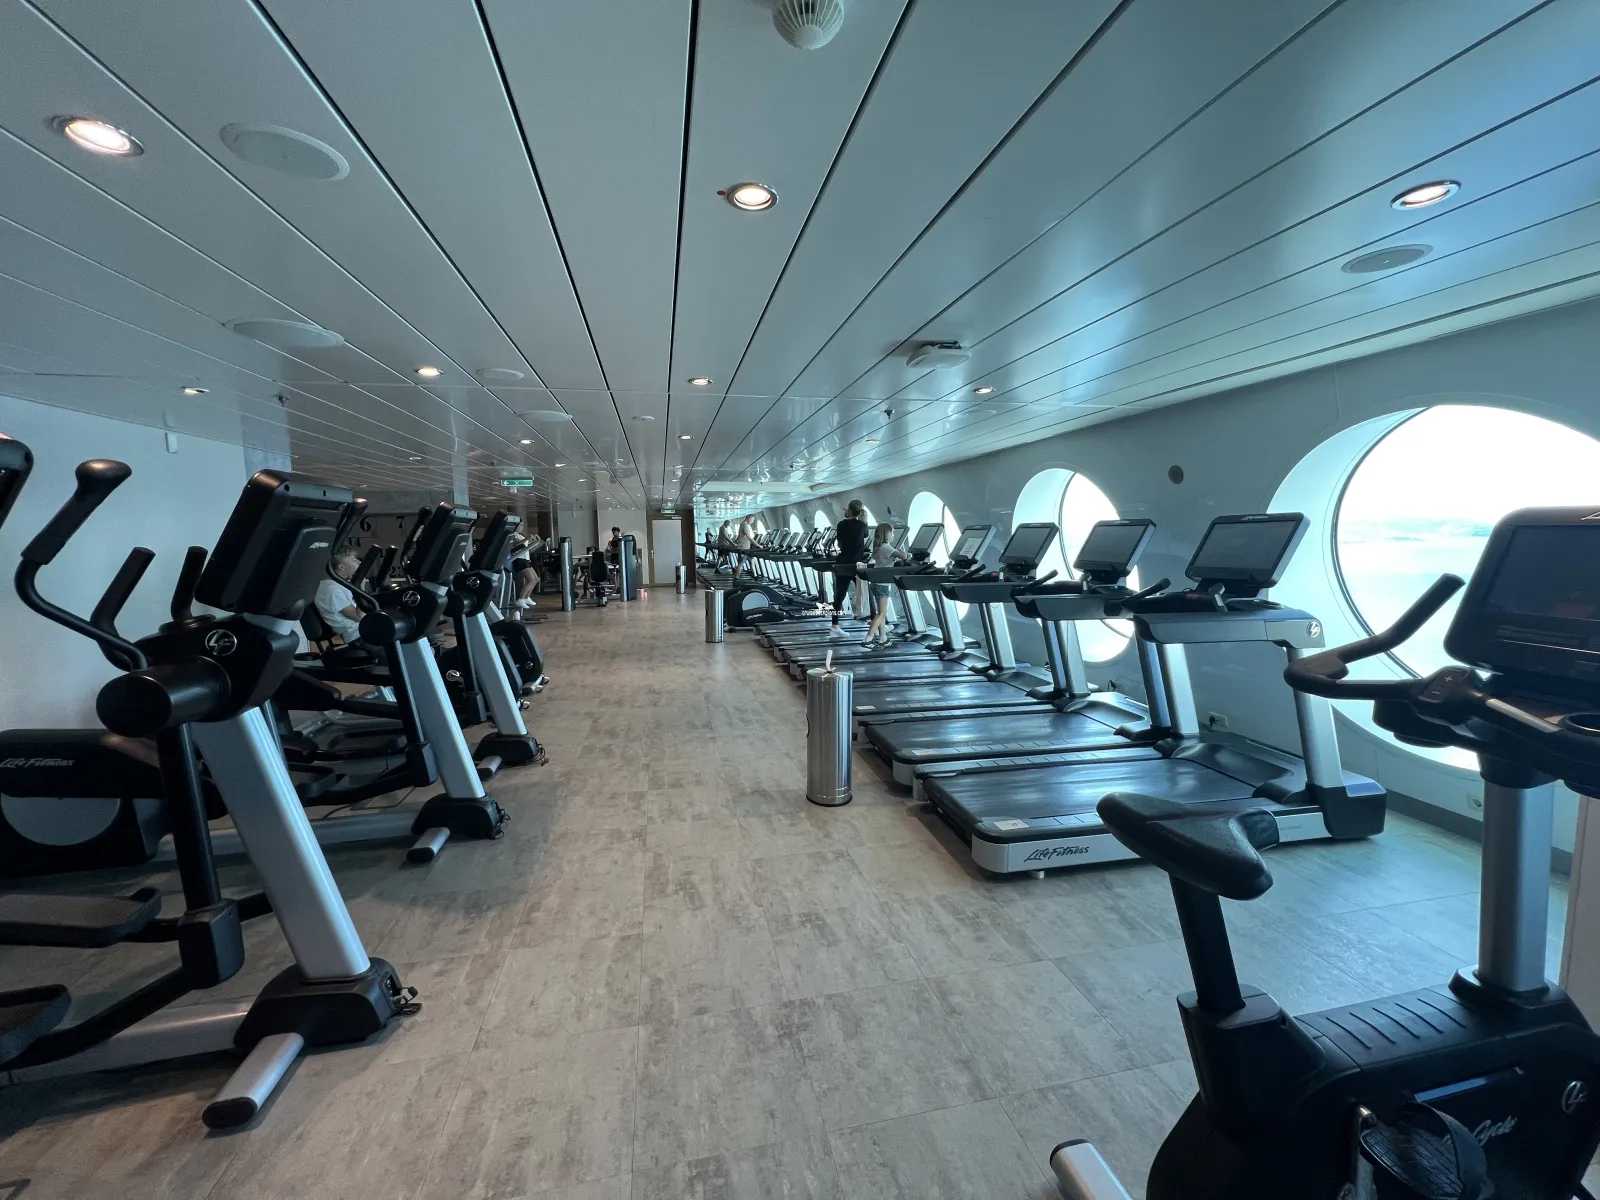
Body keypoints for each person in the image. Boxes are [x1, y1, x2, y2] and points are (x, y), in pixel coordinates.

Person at [857, 522, 909, 647]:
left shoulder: (878, 547)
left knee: (881, 612)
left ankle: (883, 638)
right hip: (882, 585)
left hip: (876, 582)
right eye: (892, 533)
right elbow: (904, 556)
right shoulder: (886, 547)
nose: (893, 535)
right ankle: (868, 639)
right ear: (886, 534)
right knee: (882, 614)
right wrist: (901, 551)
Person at [315, 551, 370, 654]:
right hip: (359, 636)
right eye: (354, 560)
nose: (359, 562)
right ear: (341, 567)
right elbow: (360, 618)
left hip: (364, 632)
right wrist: (360, 588)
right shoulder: (332, 590)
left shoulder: (340, 584)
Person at [830, 499, 870, 634]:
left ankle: (834, 626)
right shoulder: (862, 525)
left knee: (839, 596)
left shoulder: (840, 524)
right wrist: (864, 519)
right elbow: (866, 535)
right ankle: (876, 623)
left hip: (842, 563)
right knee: (867, 594)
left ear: (850, 510)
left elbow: (839, 543)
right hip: (855, 564)